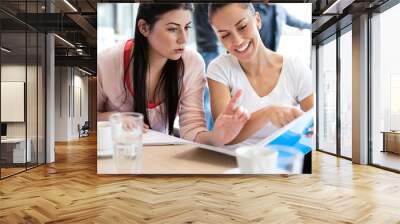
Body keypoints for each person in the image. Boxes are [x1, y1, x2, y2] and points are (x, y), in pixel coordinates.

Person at [97, 3, 250, 146]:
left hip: (160, 155)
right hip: (115, 152)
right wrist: (113, 118)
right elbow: (84, 117)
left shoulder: (192, 64)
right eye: (172, 29)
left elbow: (192, 130)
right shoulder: (106, 62)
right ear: (144, 27)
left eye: (187, 28)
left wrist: (218, 136)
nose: (184, 39)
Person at [207, 3, 314, 146]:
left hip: (282, 160)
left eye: (243, 26)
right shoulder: (219, 68)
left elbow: (313, 125)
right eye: (225, 35)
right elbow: (224, 136)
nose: (237, 41)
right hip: (234, 162)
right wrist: (268, 113)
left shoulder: (295, 68)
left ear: (257, 19)